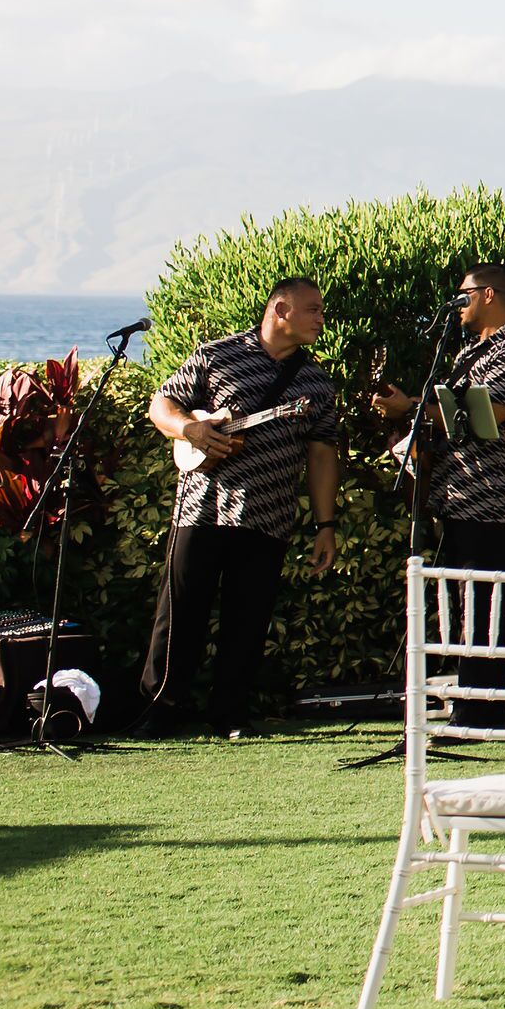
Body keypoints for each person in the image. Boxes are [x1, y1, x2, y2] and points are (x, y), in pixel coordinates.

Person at [143, 279, 341, 733]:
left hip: (268, 514)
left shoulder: (315, 382)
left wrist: (325, 524)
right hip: (200, 506)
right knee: (179, 614)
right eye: (312, 309)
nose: (320, 319)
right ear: (281, 309)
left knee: (247, 620)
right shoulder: (216, 355)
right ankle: (161, 710)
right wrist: (191, 430)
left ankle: (228, 715)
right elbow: (162, 403)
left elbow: (322, 453)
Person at [370, 261, 505, 569]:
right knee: (457, 615)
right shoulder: (471, 351)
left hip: (493, 512)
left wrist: (411, 408)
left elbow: (483, 419)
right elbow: (453, 415)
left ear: (488, 294)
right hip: (456, 504)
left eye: (464, 295)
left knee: (482, 616)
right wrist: (413, 415)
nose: (457, 303)